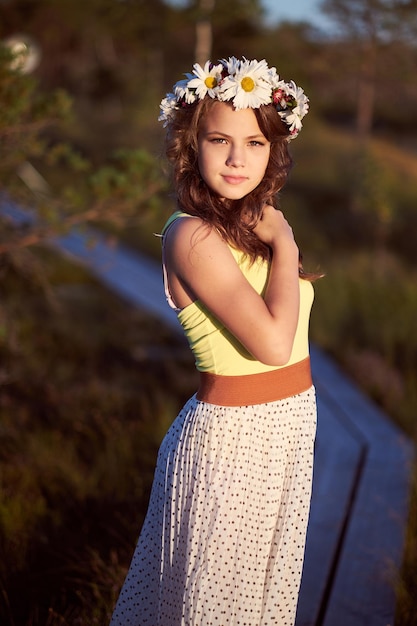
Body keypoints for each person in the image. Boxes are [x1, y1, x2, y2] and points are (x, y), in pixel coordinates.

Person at [110, 56, 319, 626]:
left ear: (274, 149)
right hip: (233, 446)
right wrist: (286, 241)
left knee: (258, 608)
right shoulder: (193, 234)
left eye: (254, 143)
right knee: (214, 612)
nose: (236, 158)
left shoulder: (248, 223)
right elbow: (274, 346)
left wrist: (272, 234)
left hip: (285, 433)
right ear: (190, 144)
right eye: (219, 139)